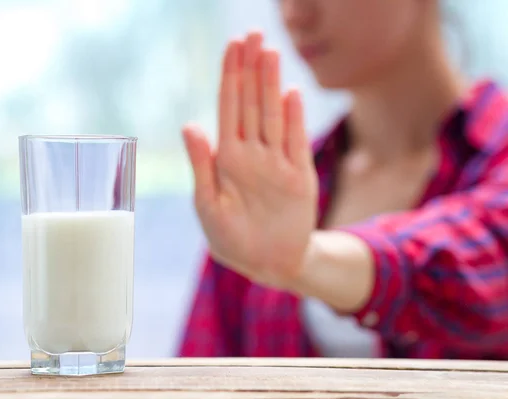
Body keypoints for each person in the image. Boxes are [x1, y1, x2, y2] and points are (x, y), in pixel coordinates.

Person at [177, 0, 508, 359]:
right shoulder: (271, 187)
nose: (294, 14)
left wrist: (306, 259)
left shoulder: (495, 152)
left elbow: (488, 262)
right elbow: (201, 368)